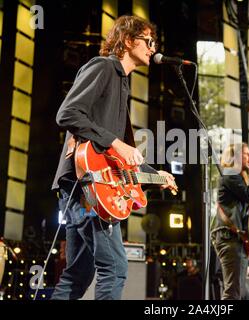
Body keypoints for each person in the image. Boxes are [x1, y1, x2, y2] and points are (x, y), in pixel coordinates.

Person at [50, 15, 176, 300]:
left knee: (79, 273)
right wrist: (117, 143)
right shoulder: (104, 67)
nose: (152, 47)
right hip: (85, 186)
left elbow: (119, 155)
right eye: (147, 40)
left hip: (88, 184)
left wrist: (157, 175)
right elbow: (67, 113)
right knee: (116, 267)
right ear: (128, 41)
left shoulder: (122, 84)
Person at [211, 143, 249, 300]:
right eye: (246, 154)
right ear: (233, 157)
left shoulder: (238, 178)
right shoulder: (229, 174)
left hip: (236, 240)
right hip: (230, 239)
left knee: (243, 294)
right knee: (233, 293)